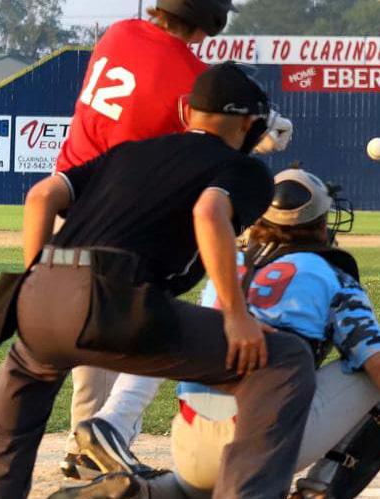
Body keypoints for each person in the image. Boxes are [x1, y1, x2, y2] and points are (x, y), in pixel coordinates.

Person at [0, 63, 316, 499]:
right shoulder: (244, 169)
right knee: (283, 360)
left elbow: (42, 195)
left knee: (27, 373)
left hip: (38, 290)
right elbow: (208, 212)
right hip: (116, 300)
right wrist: (236, 317)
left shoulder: (129, 152)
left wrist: (39, 275)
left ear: (187, 111)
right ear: (249, 123)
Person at [54, 0, 293, 477]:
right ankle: (96, 444)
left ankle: (91, 443)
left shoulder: (120, 32)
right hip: (120, 218)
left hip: (71, 193)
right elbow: (211, 132)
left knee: (84, 338)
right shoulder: (189, 72)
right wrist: (264, 130)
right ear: (210, 18)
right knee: (141, 326)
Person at [50, 168, 380, 499]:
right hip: (262, 440)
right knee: (369, 370)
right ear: (321, 224)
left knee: (200, 477)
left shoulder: (229, 264)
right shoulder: (332, 276)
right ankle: (318, 491)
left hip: (191, 437)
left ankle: (146, 490)